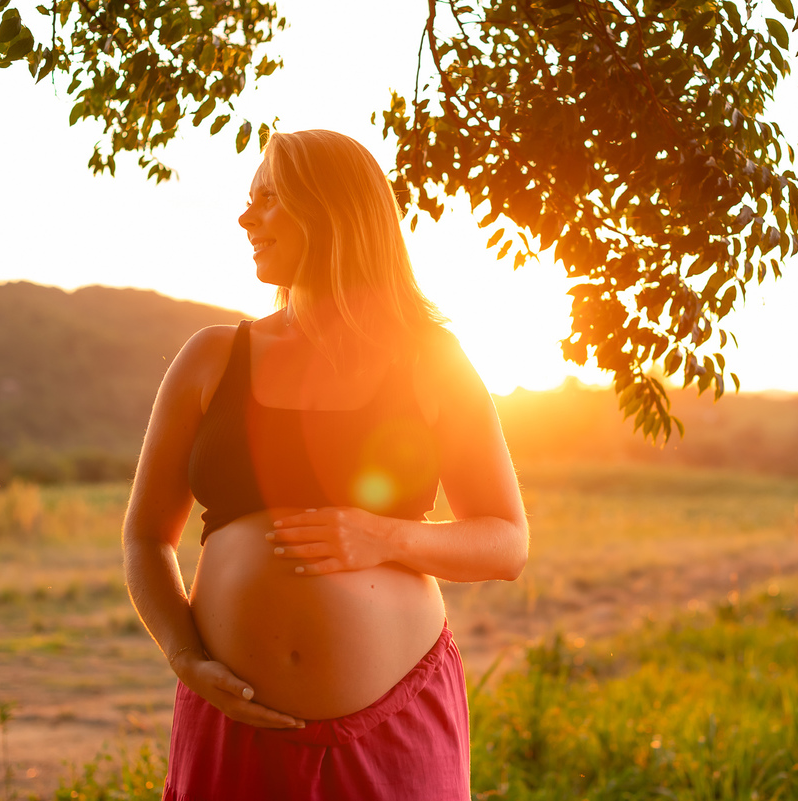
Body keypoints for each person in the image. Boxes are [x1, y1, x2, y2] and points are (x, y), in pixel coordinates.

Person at [122, 128, 529, 800]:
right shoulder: (213, 357)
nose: (246, 217)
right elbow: (145, 538)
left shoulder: (430, 360)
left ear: (334, 210)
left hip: (394, 729)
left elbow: (507, 541)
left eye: (270, 198)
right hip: (234, 723)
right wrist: (185, 656)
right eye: (248, 199)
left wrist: (388, 535)